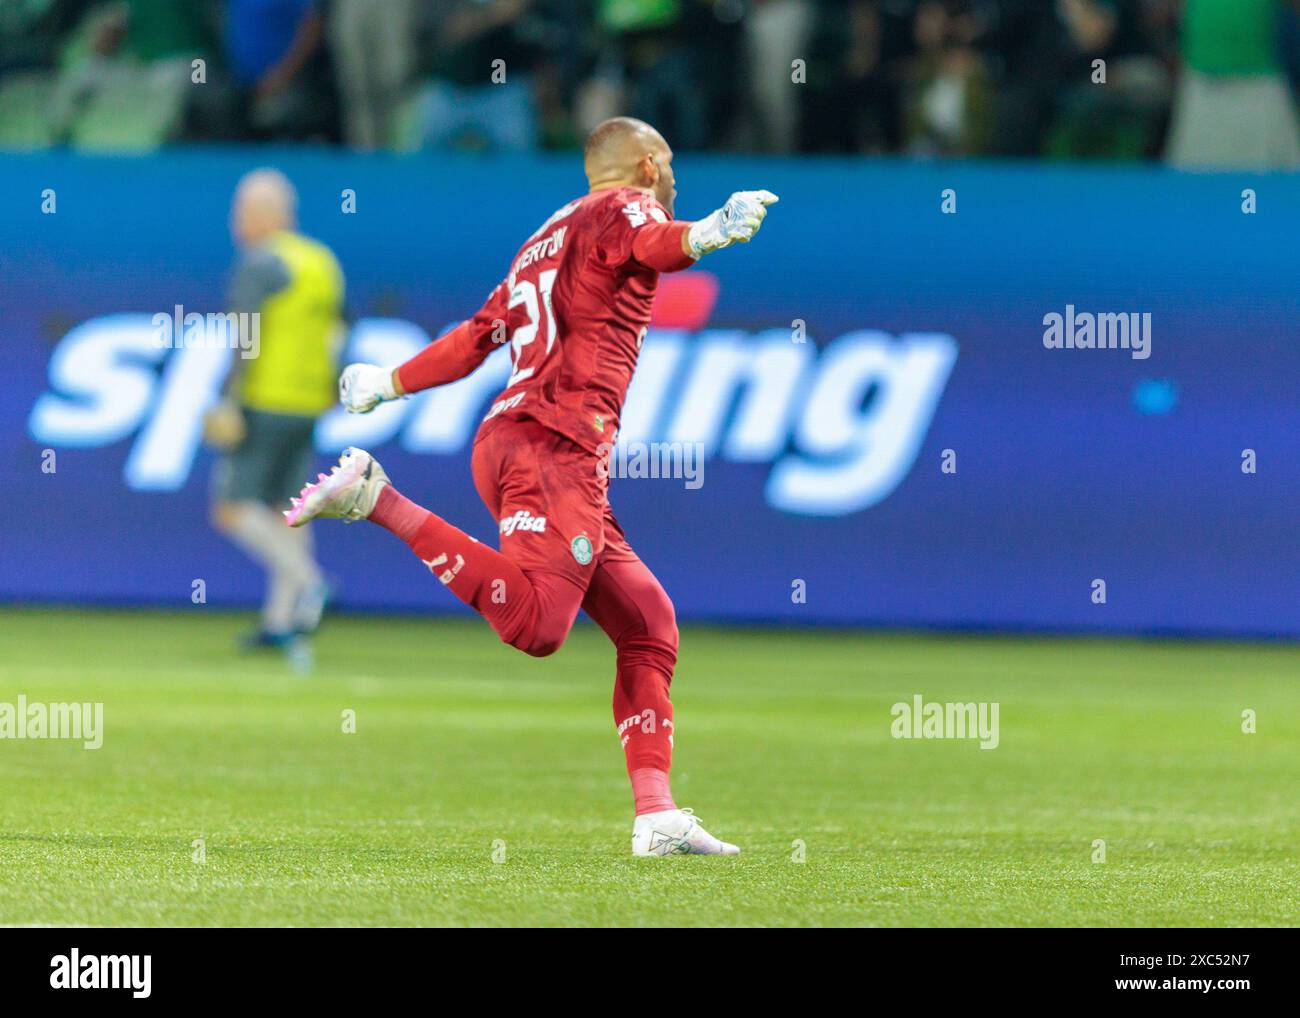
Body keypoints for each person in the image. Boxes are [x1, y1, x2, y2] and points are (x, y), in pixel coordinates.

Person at [286, 117, 777, 855]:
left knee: (647, 621)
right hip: (556, 446)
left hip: (520, 441)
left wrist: (389, 382)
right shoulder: (627, 208)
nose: (673, 182)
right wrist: (710, 231)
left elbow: (477, 336)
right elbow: (655, 243)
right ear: (646, 166)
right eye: (669, 167)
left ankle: (657, 815)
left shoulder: (543, 238)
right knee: (542, 626)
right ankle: (376, 499)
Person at [207, 169, 344, 667]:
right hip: (308, 404)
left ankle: (311, 583)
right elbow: (337, 332)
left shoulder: (260, 262)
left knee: (232, 507)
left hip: (264, 400)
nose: (236, 221)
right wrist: (331, 385)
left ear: (266, 215)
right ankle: (282, 623)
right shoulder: (321, 262)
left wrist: (228, 397)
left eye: (242, 211)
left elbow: (245, 333)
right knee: (289, 510)